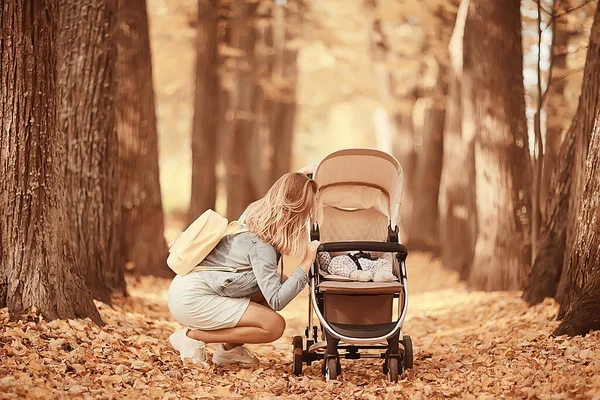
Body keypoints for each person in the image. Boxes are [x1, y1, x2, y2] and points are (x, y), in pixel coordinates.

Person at [167, 172, 320, 367]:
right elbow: (277, 300)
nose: (307, 216)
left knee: (280, 279)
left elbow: (289, 189)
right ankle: (191, 336)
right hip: (193, 298)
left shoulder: (255, 213)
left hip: (187, 287)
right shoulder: (261, 243)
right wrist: (307, 262)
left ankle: (229, 351)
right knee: (274, 326)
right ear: (293, 210)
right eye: (306, 210)